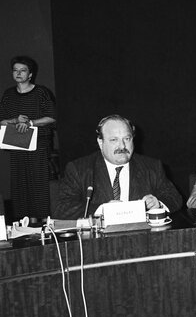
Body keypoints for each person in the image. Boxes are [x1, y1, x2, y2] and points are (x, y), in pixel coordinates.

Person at [53, 115, 182, 218]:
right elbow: (62, 208)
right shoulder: (79, 169)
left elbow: (174, 198)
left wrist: (158, 203)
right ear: (100, 142)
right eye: (114, 140)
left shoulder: (151, 166)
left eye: (127, 138)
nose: (122, 146)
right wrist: (102, 210)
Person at [0, 56, 56, 220]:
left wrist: (31, 122)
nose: (18, 73)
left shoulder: (41, 92)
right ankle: (25, 223)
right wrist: (15, 120)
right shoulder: (9, 94)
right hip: (17, 145)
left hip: (38, 146)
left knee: (38, 185)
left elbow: (52, 117)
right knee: (19, 185)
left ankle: (44, 222)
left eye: (22, 70)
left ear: (30, 74)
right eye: (15, 70)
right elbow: (2, 120)